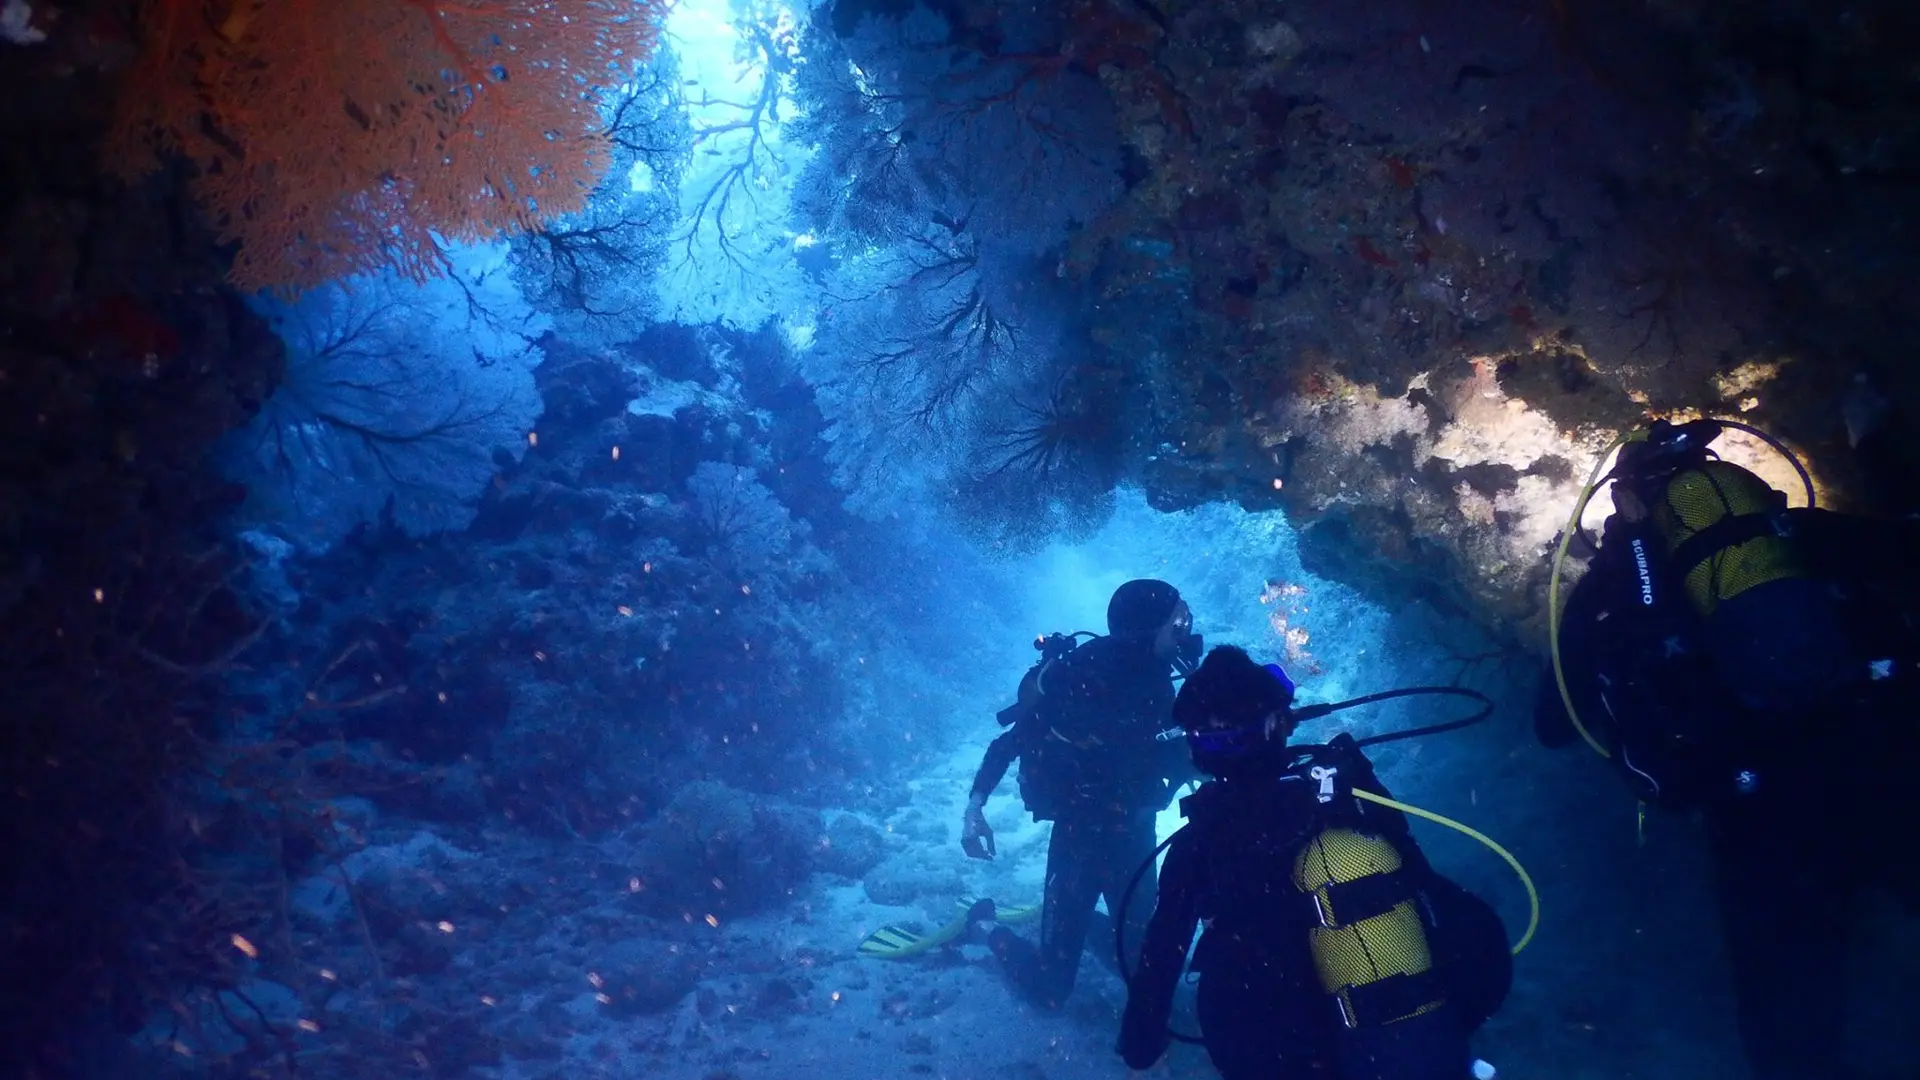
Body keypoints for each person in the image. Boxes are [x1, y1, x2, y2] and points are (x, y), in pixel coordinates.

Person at [1537, 417, 1920, 1080]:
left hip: (1759, 816)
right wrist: (1877, 450)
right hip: (1879, 756)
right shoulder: (1793, 535)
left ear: (1628, 506)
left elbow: (1551, 725)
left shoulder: (1610, 593)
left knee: (1793, 1035)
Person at [1121, 645, 1510, 1080]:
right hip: (1403, 1048)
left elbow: (1162, 951)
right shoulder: (1349, 793)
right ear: (1281, 724)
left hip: (1278, 1055)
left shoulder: (1200, 841)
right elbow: (1424, 887)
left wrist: (1140, 1043)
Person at [961, 578, 1202, 1009]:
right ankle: (983, 926)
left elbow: (1183, 752)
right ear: (1147, 629)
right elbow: (1009, 742)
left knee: (1148, 970)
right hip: (1080, 838)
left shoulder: (1162, 677)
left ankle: (1081, 925)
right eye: (1178, 621)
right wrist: (974, 809)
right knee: (1051, 990)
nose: (1187, 630)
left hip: (1137, 832)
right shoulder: (1083, 678)